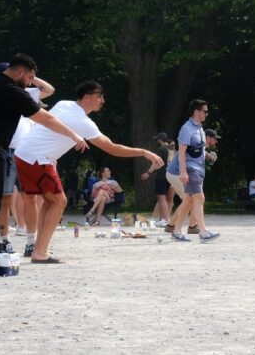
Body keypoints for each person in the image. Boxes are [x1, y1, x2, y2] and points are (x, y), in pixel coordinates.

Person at [0, 54, 87, 270]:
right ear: (20, 72)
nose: (30, 82)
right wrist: (74, 135)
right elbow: (46, 118)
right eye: (30, 77)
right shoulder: (11, 90)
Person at [14, 80, 163, 263]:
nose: (103, 101)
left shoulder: (63, 104)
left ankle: (38, 248)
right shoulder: (83, 122)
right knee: (59, 202)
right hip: (37, 158)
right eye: (99, 96)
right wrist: (143, 152)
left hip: (26, 154)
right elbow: (112, 148)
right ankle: (40, 253)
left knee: (50, 201)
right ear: (87, 97)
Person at [0, 61, 56, 251]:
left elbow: (49, 90)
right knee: (5, 198)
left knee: (31, 197)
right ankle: (4, 239)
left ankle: (31, 241)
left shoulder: (24, 93)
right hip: (7, 150)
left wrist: (29, 76)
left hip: (28, 151)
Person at [163, 100, 220, 242]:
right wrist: (183, 172)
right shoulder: (187, 129)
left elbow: (197, 148)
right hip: (190, 169)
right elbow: (181, 152)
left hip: (198, 169)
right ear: (196, 112)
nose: (207, 114)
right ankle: (203, 233)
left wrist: (208, 155)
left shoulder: (199, 128)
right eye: (205, 111)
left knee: (188, 200)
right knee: (199, 198)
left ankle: (176, 231)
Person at [141, 132, 175, 226]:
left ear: (160, 139)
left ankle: (165, 219)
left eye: (157, 139)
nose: (156, 141)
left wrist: (148, 173)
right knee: (168, 199)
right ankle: (166, 219)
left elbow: (157, 163)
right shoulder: (172, 149)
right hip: (171, 176)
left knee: (161, 198)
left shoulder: (161, 149)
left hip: (161, 176)